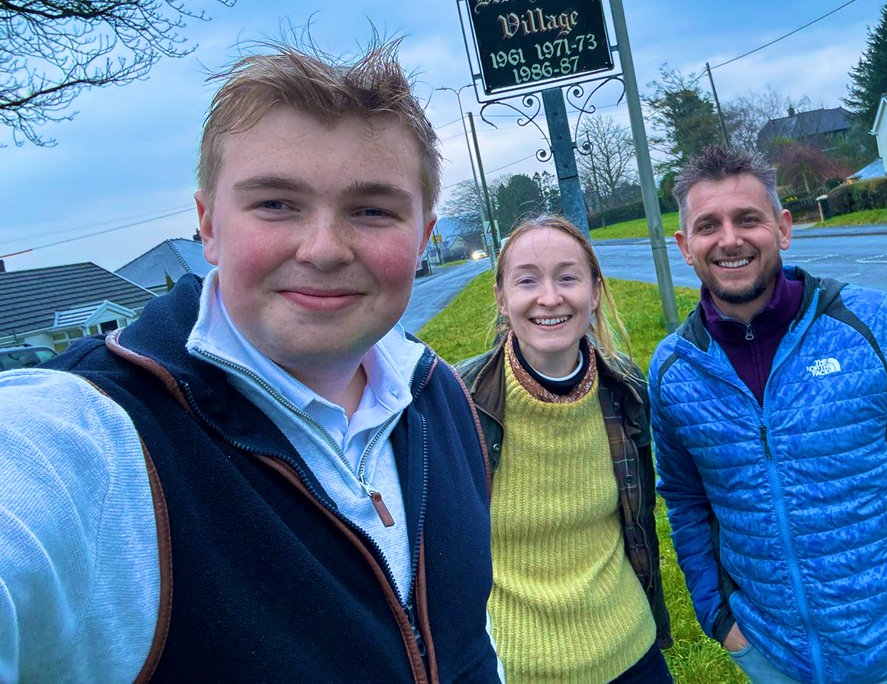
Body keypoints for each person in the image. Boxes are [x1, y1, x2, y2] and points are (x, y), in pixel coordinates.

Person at [0, 42, 501, 682]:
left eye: (373, 210)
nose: (323, 249)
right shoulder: (95, 439)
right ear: (207, 226)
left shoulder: (442, 398)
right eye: (276, 204)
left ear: (425, 236)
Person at [648, 146, 887, 684]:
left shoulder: (873, 323)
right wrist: (717, 615)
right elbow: (685, 501)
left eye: (748, 219)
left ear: (782, 228)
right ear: (685, 247)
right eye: (708, 225)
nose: (729, 239)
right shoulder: (674, 370)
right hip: (772, 659)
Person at [456, 215, 673, 683]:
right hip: (516, 669)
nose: (549, 298)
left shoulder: (625, 389)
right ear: (501, 297)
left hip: (633, 654)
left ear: (594, 293)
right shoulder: (458, 399)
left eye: (568, 277)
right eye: (527, 280)